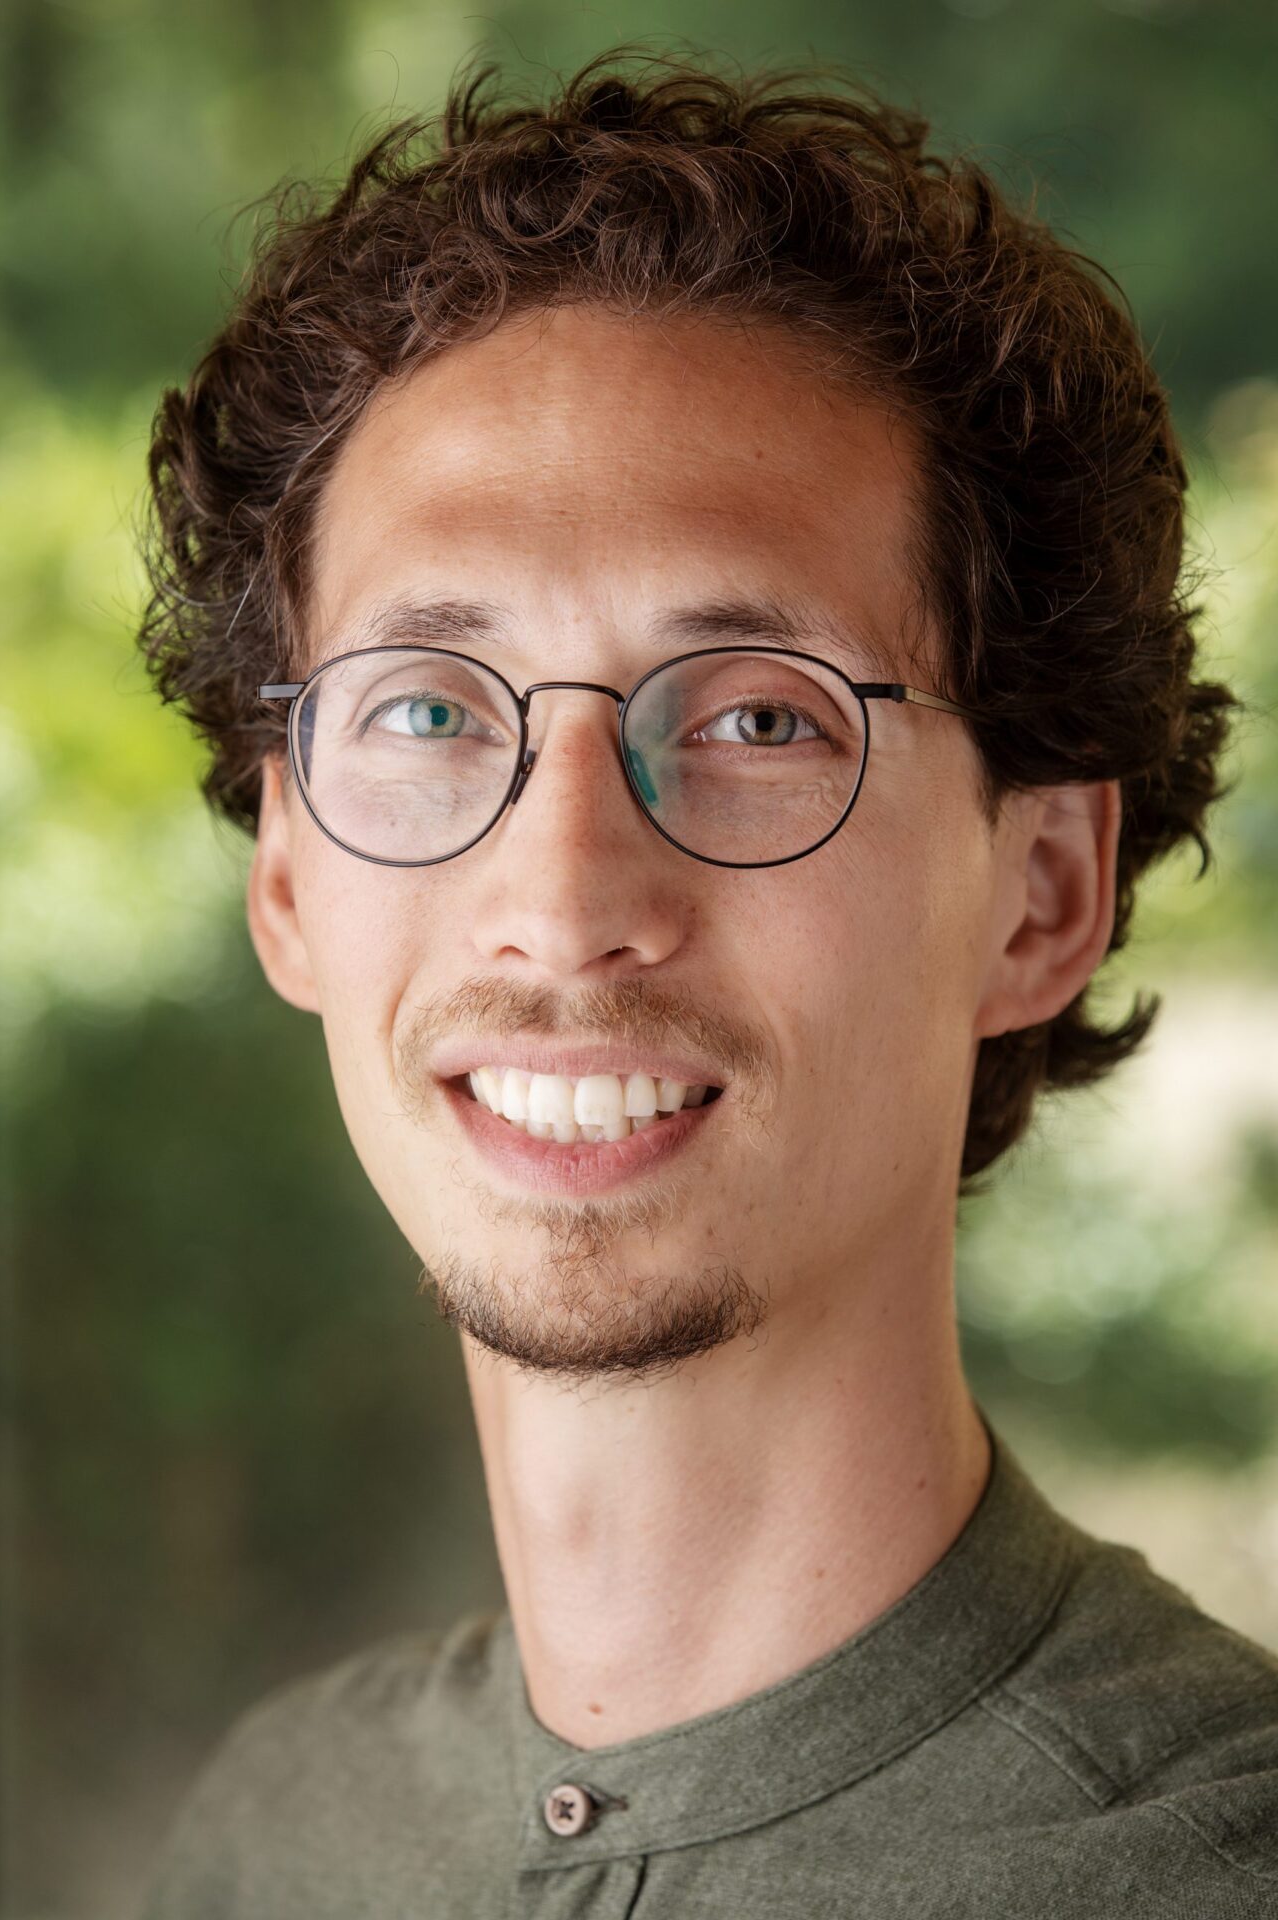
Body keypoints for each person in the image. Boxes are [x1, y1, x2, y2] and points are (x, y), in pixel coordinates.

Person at [133, 48, 1278, 1918]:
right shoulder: (277, 1840)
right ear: (286, 877)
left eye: (758, 718)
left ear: (1042, 893)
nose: (563, 899)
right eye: (426, 710)